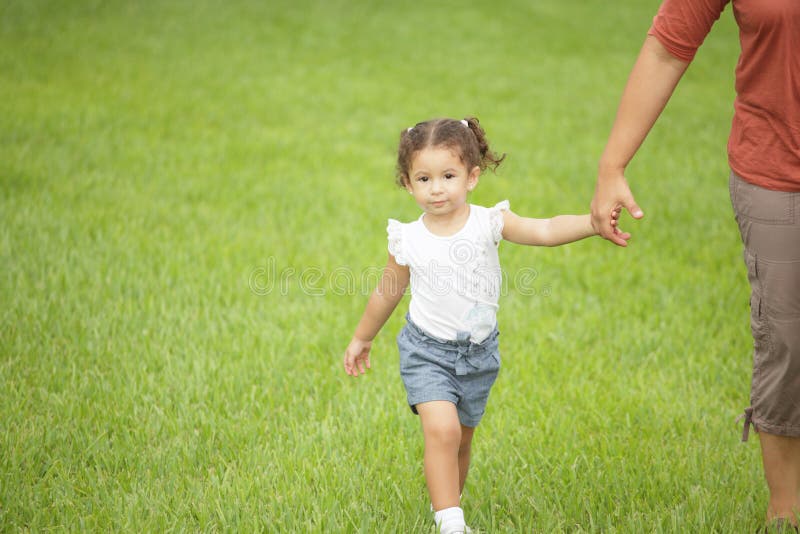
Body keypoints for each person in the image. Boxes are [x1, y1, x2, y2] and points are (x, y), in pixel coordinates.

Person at [343, 116, 618, 534]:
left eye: (448, 175)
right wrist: (363, 337)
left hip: (479, 354)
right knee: (442, 429)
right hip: (426, 351)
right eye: (424, 178)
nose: (437, 188)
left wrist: (590, 223)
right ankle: (451, 523)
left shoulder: (488, 222)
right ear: (407, 182)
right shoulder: (408, 238)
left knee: (462, 440)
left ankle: (450, 503)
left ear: (471, 177)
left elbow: (543, 230)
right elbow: (388, 290)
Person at [590, 0, 800, 529]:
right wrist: (613, 163)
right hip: (778, 172)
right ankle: (787, 512)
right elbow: (667, 47)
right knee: (789, 339)